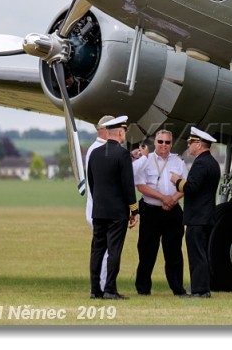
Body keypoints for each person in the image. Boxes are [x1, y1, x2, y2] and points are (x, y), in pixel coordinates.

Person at [87, 115, 139, 300]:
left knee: (97, 250)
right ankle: (109, 289)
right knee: (114, 251)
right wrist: (134, 210)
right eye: (124, 131)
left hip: (99, 210)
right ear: (120, 132)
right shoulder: (122, 154)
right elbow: (128, 185)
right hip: (117, 212)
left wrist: (99, 202)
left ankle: (95, 290)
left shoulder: (94, 153)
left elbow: (92, 183)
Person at [133, 129, 187, 296]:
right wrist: (164, 198)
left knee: (174, 252)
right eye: (161, 141)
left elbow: (185, 185)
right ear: (154, 143)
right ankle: (143, 288)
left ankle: (177, 288)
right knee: (147, 251)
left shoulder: (178, 161)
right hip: (151, 211)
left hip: (173, 210)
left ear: (172, 144)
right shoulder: (146, 160)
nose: (164, 145)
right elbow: (141, 186)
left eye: (167, 142)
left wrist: (172, 200)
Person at [171, 126, 220, 298]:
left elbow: (191, 187)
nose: (188, 145)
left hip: (197, 217)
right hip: (206, 216)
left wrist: (177, 181)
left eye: (190, 142)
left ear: (198, 144)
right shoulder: (212, 162)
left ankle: (200, 290)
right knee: (202, 254)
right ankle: (203, 288)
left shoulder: (200, 163)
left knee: (197, 255)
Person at [84, 115, 113, 293]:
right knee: (104, 250)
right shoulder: (99, 150)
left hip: (98, 207)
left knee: (101, 248)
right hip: (101, 208)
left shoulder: (96, 149)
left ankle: (99, 286)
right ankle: (101, 285)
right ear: (104, 130)